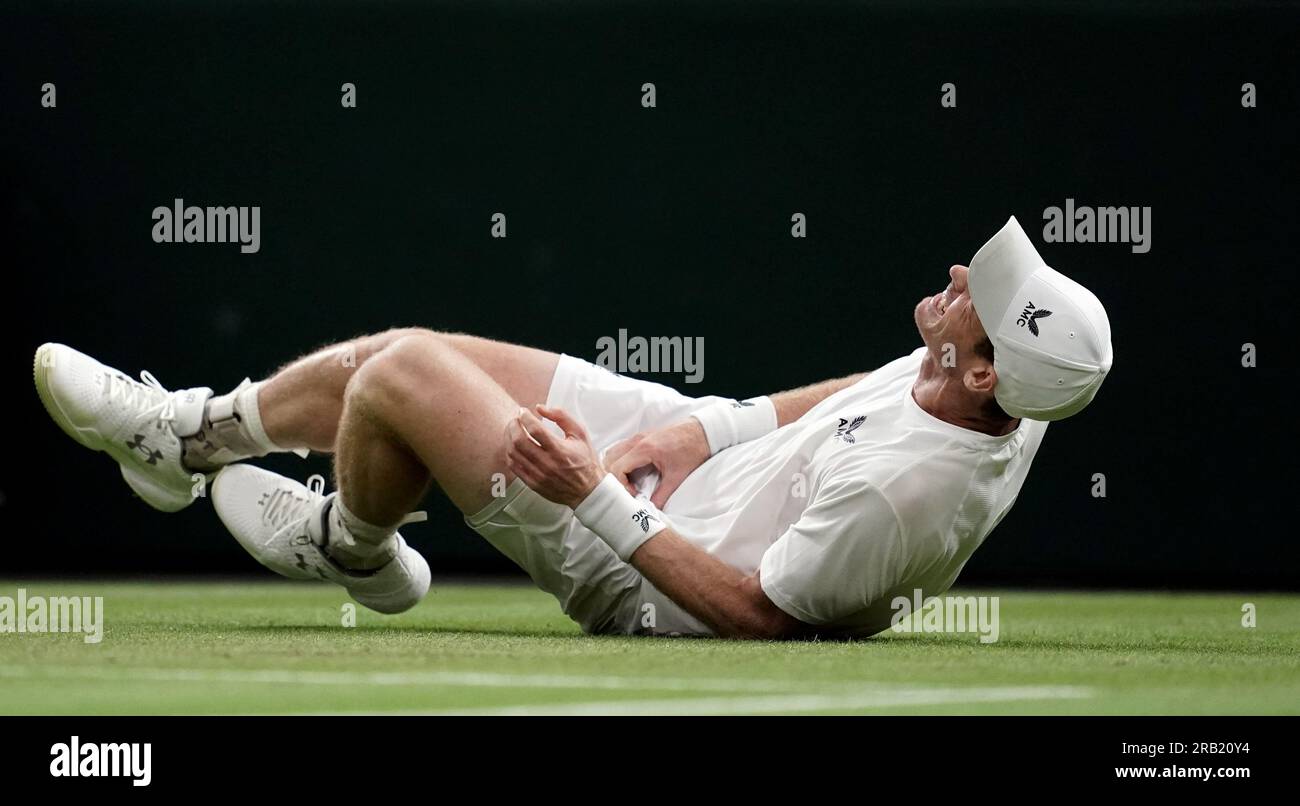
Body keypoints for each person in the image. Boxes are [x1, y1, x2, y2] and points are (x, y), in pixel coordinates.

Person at [33, 216, 1111, 639]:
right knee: (393, 348)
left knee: (405, 375)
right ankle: (183, 439)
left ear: (981, 372)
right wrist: (704, 428)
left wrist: (589, 492)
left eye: (986, 293)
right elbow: (844, 394)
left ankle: (352, 547)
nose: (966, 273)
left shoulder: (910, 491)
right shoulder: (989, 381)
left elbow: (765, 618)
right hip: (688, 461)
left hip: (644, 562)